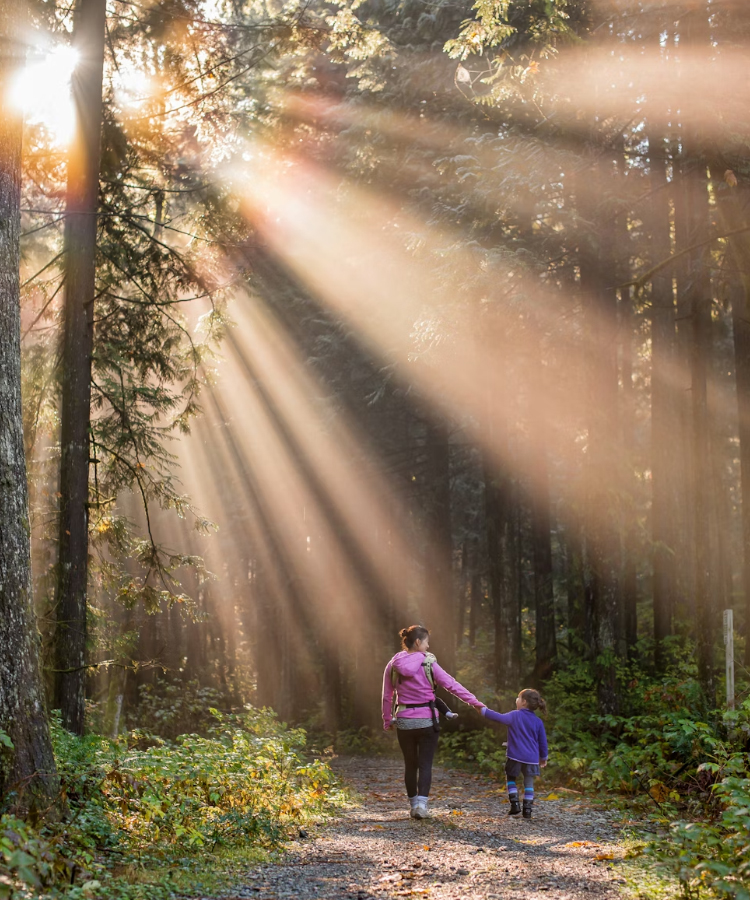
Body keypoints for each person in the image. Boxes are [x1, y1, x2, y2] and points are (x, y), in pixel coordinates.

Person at [382, 625, 484, 819]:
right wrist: (475, 703)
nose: (428, 646)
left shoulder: (393, 664)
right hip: (427, 721)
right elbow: (452, 685)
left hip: (404, 721)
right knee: (425, 764)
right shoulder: (428, 663)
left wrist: (387, 719)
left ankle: (413, 806)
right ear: (418, 642)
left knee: (410, 765)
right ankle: (422, 806)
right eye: (427, 642)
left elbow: (387, 696)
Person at [479, 688, 548, 819]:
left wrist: (483, 710)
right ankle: (527, 810)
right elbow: (543, 742)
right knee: (529, 783)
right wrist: (543, 757)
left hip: (515, 756)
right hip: (532, 758)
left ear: (524, 702)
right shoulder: (538, 721)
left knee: (511, 778)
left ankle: (515, 804)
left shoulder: (515, 715)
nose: (516, 700)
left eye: (518, 698)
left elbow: (498, 717)